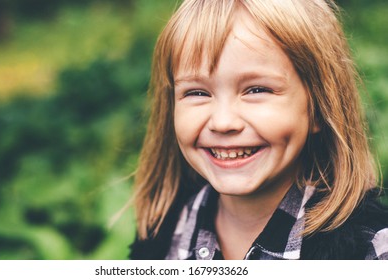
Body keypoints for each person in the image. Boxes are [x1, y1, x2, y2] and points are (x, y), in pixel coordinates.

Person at [129, 0, 388, 260]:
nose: (223, 122)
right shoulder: (161, 240)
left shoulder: (371, 252)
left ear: (319, 107)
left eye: (256, 90)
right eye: (197, 92)